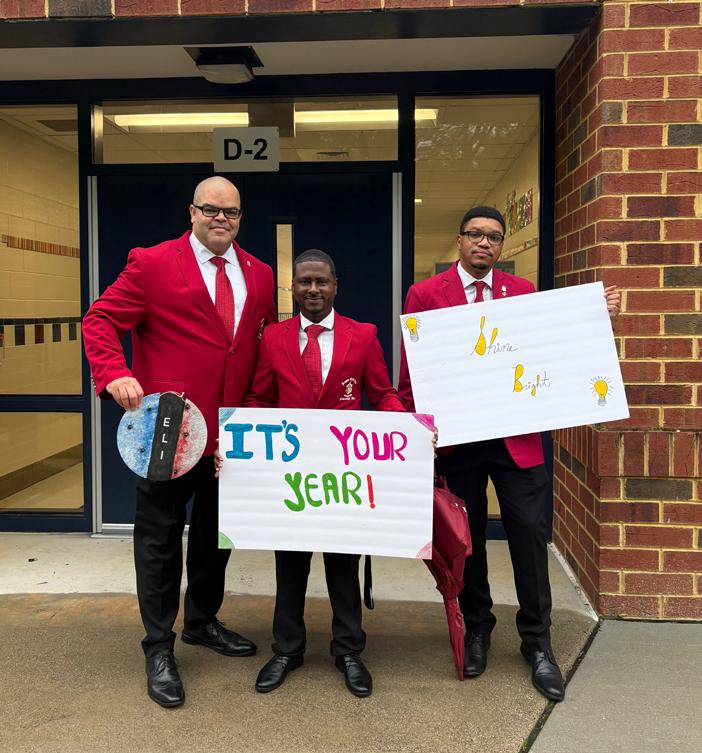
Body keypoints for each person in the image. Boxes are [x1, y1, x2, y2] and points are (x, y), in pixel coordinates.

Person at [398, 206, 620, 702]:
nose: (485, 243)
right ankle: (478, 628)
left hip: (517, 442)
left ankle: (537, 642)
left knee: (528, 537)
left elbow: (552, 349)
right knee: (468, 539)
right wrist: (417, 430)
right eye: (476, 234)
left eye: (494, 237)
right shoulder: (425, 294)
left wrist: (595, 318)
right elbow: (413, 370)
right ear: (460, 240)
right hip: (458, 441)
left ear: (501, 246)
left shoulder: (522, 292)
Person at [82, 176, 276, 708]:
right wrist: (113, 372)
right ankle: (158, 646)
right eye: (211, 209)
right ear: (191, 212)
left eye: (230, 212)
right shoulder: (151, 263)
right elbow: (100, 319)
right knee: (160, 539)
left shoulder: (260, 274)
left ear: (240, 218)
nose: (221, 219)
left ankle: (202, 621)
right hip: (167, 429)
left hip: (230, 434)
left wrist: (256, 413)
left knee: (216, 537)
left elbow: (261, 348)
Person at [245, 249, 404, 698]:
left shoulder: (363, 335)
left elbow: (383, 394)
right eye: (304, 282)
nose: (313, 289)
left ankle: (348, 651)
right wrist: (240, 438)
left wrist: (410, 430)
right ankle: (286, 650)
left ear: (336, 286)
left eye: (321, 282)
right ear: (292, 288)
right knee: (290, 567)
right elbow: (259, 398)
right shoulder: (273, 338)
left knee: (343, 567)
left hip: (343, 479)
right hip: (291, 477)